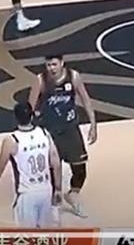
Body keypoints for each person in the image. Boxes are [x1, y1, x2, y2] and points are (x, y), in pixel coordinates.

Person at [0, 102, 62, 245]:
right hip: (45, 190)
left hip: (27, 195)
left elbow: (1, 164)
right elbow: (56, 162)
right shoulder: (44, 134)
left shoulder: (11, 140)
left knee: (27, 241)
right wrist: (58, 189)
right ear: (32, 116)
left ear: (15, 118)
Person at [28, 55, 96, 218]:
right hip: (49, 130)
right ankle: (55, 199)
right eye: (48, 65)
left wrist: (93, 124)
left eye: (54, 64)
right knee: (53, 167)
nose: (51, 68)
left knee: (80, 169)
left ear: (62, 63)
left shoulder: (73, 77)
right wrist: (31, 131)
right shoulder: (40, 80)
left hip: (70, 128)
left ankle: (72, 194)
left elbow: (86, 100)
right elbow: (30, 107)